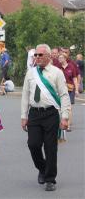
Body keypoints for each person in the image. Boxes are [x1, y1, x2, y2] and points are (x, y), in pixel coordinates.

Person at [21, 44, 70, 192]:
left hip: (51, 114)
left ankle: (50, 179)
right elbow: (25, 95)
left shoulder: (57, 73)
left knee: (50, 148)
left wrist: (65, 116)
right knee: (33, 144)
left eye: (40, 55)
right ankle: (42, 168)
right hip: (34, 114)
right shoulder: (31, 73)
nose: (37, 57)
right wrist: (24, 115)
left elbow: (63, 95)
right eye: (35, 55)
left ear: (48, 56)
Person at [58, 53, 78, 132]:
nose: (59, 59)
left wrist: (76, 89)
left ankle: (68, 125)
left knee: (68, 108)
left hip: (70, 90)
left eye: (61, 58)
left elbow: (74, 78)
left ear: (65, 58)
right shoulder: (58, 68)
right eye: (59, 58)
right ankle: (61, 123)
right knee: (60, 107)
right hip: (60, 90)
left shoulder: (71, 67)